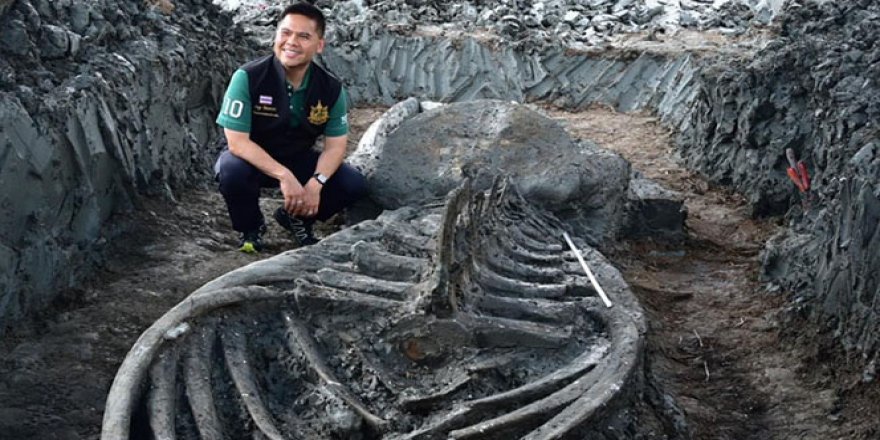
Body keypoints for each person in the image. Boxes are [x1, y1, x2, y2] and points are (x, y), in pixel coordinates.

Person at [214, 3, 367, 253]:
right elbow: (237, 142)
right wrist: (284, 176)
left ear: (319, 45)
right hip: (251, 158)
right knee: (232, 171)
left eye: (303, 36)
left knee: (353, 183)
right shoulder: (248, 77)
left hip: (297, 157)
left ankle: (296, 217)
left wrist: (316, 183)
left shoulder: (331, 88)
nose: (291, 42)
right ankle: (250, 228)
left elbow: (335, 147)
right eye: (286, 33)